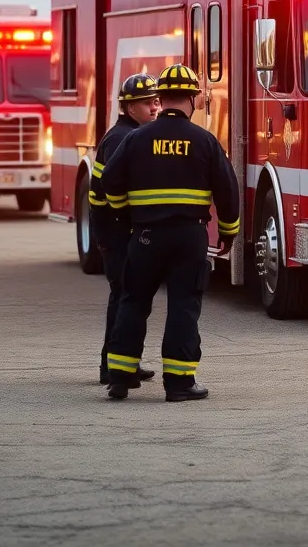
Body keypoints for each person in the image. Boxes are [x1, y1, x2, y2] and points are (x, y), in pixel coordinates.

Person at [100, 63, 240, 402]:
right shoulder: (205, 140)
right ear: (193, 99)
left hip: (145, 235)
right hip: (188, 237)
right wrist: (228, 232)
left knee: (133, 301)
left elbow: (109, 181)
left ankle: (120, 377)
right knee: (183, 304)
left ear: (160, 99)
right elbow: (228, 191)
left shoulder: (136, 138)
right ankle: (179, 383)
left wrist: (124, 214)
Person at [88, 73, 161, 385]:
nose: (155, 108)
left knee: (129, 298)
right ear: (130, 108)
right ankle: (111, 365)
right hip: (117, 233)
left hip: (117, 231)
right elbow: (113, 190)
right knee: (123, 298)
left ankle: (126, 361)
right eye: (147, 103)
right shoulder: (122, 138)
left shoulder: (129, 133)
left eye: (156, 102)